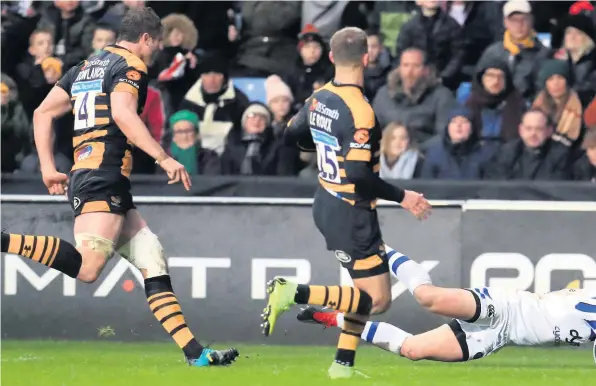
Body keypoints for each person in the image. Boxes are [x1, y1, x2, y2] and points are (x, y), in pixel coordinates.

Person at [0, 7, 238, 367]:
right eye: (156, 44)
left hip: (98, 174)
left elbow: (42, 112)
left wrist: (49, 167)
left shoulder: (86, 66)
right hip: (102, 173)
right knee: (88, 268)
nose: (155, 52)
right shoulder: (130, 66)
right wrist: (164, 157)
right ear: (146, 39)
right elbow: (124, 115)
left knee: (151, 257)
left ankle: (196, 354)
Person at [261, 27, 432, 379]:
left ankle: (343, 365)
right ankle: (292, 291)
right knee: (377, 300)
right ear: (367, 59)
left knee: (362, 292)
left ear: (331, 57)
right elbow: (359, 173)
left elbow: (291, 134)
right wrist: (404, 196)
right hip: (351, 211)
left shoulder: (320, 96)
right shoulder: (361, 111)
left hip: (325, 199)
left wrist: (325, 147)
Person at [297, 247, 596, 363]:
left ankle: (329, 318)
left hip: (502, 335)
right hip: (508, 307)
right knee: (429, 297)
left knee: (412, 350)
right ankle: (374, 246)